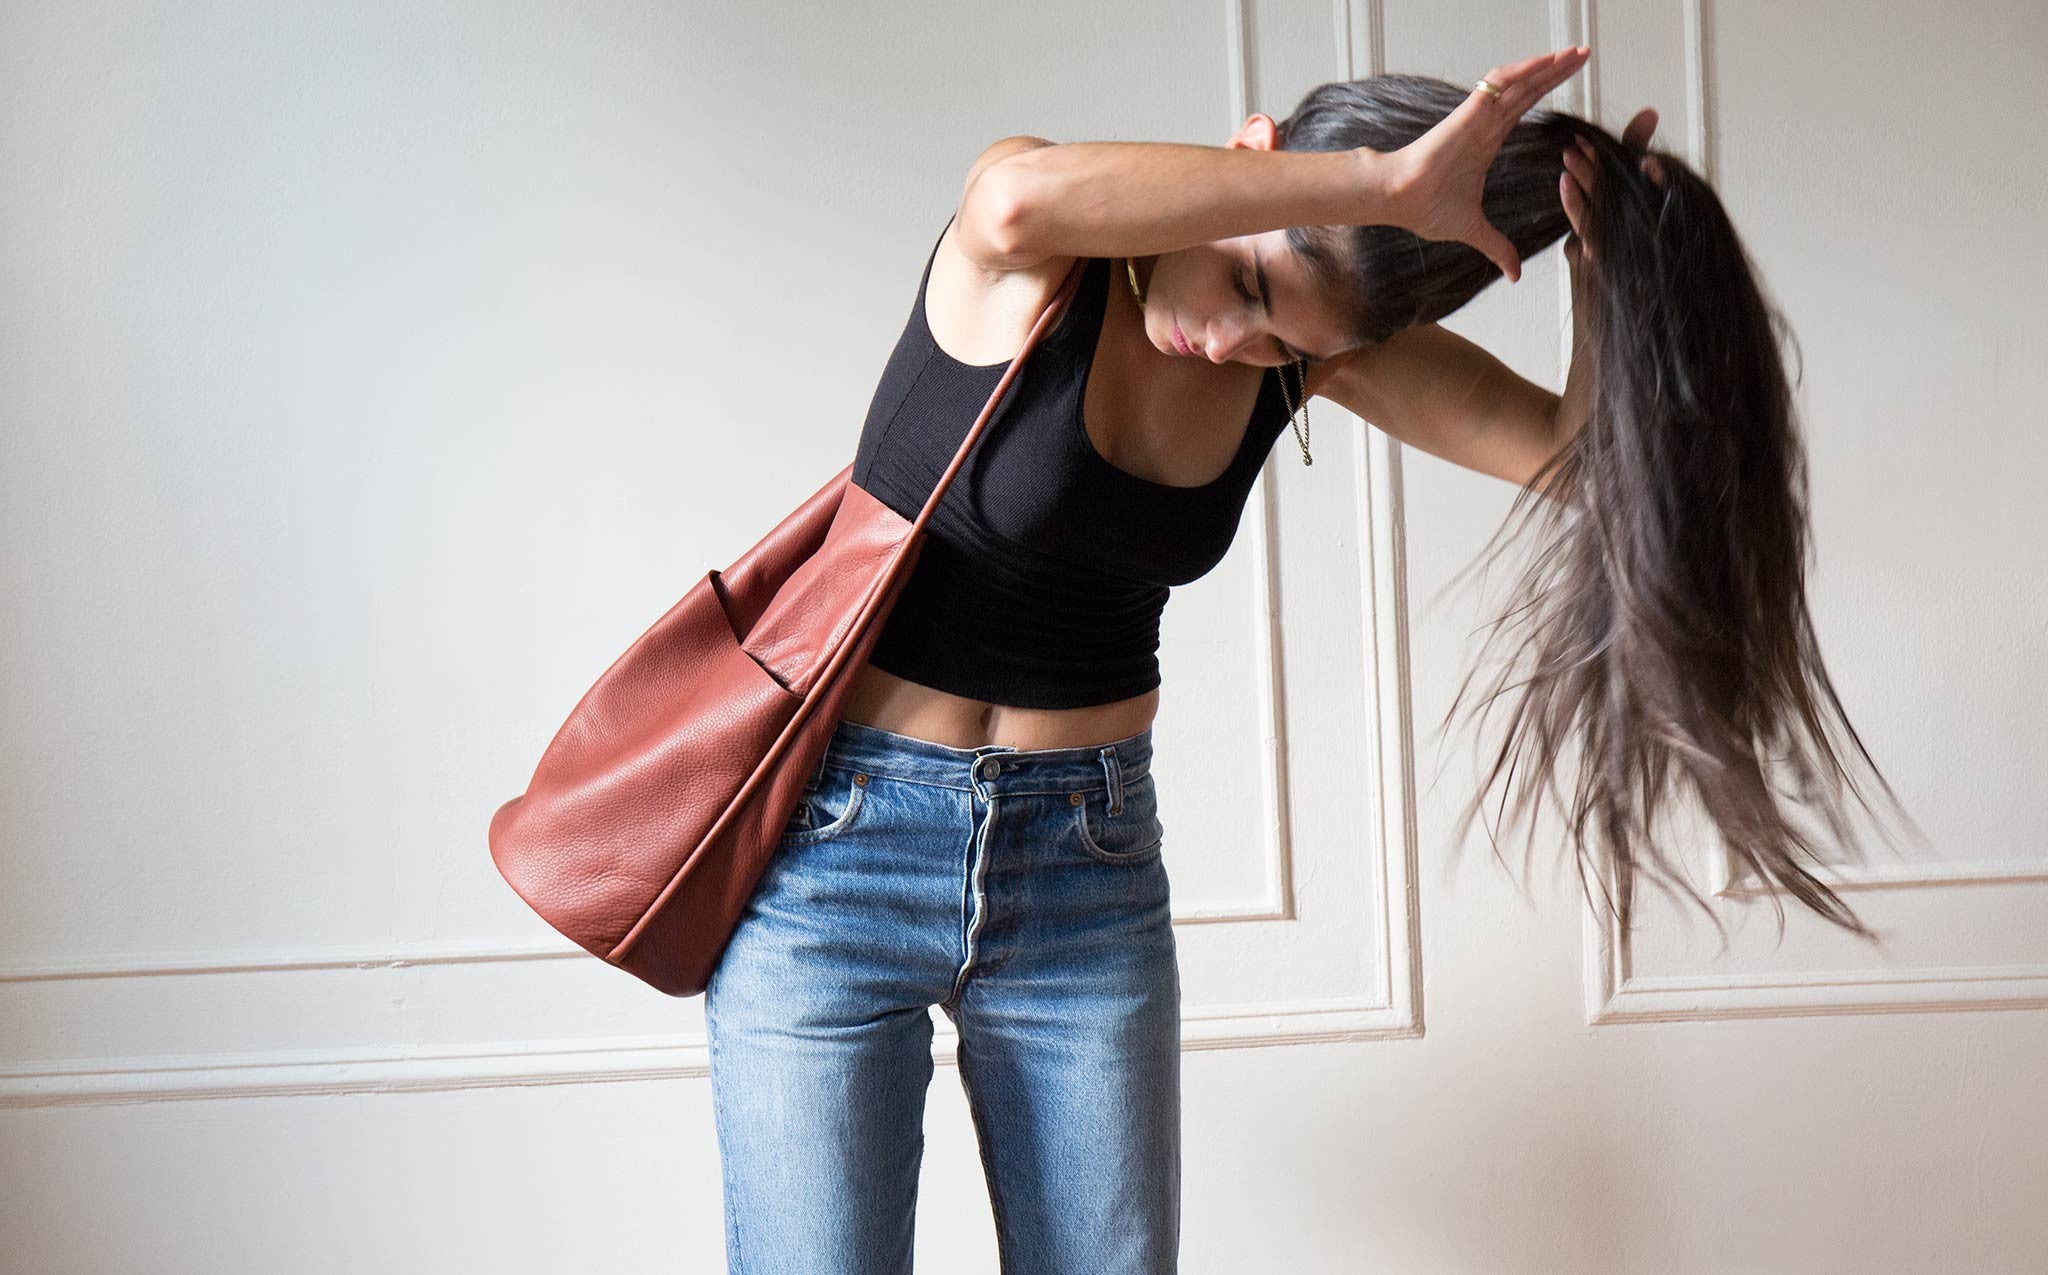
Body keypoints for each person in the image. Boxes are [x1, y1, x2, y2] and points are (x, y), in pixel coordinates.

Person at [705, 42, 1905, 1275]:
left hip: (1080, 871)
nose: (1230, 340)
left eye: (1279, 340)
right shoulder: (1040, 254)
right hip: (838, 858)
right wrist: (1379, 184)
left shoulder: (1307, 356)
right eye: (1245, 280)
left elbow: (1564, 452)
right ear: (1252, 154)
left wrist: (1600, 279)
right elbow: (1006, 197)